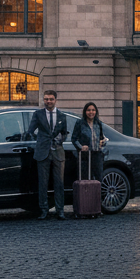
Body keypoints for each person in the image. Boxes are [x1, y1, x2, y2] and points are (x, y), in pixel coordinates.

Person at [26, 89, 69, 219]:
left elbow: (65, 132)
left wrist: (60, 140)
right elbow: (30, 131)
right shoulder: (38, 114)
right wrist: (39, 141)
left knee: (59, 183)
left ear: (55, 100)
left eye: (51, 99)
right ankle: (44, 210)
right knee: (43, 183)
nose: (48, 101)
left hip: (58, 152)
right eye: (46, 99)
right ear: (43, 100)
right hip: (42, 151)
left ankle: (60, 210)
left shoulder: (62, 116)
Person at [72, 101, 108, 214]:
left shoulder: (98, 123)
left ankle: (97, 207)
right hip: (84, 156)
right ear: (85, 111)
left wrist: (103, 142)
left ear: (96, 111)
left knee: (98, 180)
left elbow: (102, 138)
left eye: (93, 110)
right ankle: (85, 207)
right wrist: (81, 147)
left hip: (97, 154)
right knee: (85, 180)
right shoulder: (80, 123)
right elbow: (74, 139)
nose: (91, 112)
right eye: (88, 110)